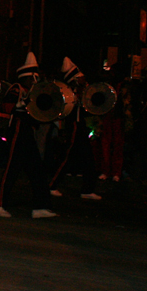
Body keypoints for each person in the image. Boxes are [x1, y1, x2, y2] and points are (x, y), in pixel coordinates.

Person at [0, 52, 57, 219]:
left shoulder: (33, 91)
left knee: (37, 171)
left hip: (27, 132)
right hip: (17, 131)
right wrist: (21, 106)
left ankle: (40, 206)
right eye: (32, 77)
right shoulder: (17, 89)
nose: (34, 80)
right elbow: (3, 111)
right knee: (11, 170)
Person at [48, 57, 102, 200]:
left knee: (88, 159)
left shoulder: (82, 90)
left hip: (80, 126)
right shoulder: (68, 92)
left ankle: (87, 189)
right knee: (66, 158)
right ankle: (51, 185)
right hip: (72, 126)